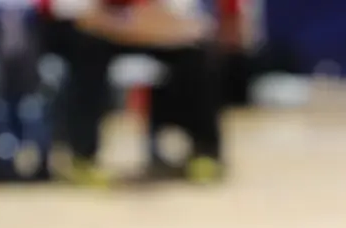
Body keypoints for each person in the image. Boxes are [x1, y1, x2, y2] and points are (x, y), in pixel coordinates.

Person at [45, 0, 223, 185]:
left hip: (144, 29)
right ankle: (81, 156)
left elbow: (191, 23)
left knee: (194, 54)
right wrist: (132, 24)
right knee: (87, 54)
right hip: (94, 33)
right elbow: (81, 18)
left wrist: (145, 25)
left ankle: (204, 150)